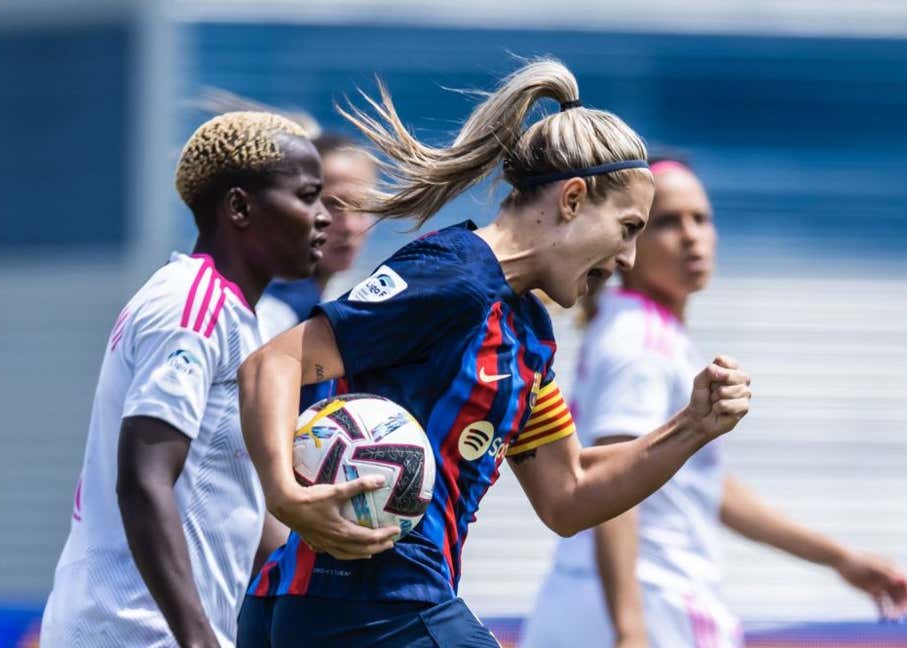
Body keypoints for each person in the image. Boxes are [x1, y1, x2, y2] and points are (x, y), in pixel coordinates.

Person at [235, 59, 753, 648]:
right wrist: (285, 495)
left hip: (342, 609)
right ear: (574, 199)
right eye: (628, 226)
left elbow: (570, 493)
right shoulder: (454, 276)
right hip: (371, 606)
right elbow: (273, 363)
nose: (628, 259)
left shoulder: (526, 332)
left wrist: (693, 426)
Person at [520, 157, 907, 648]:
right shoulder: (641, 341)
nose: (691, 236)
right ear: (626, 240)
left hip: (582, 604)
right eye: (666, 222)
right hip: (652, 606)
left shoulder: (635, 329)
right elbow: (610, 491)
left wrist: (837, 557)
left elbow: (703, 487)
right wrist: (630, 632)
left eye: (700, 219)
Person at [40, 111, 330, 648]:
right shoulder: (192, 307)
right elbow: (143, 478)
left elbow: (234, 502)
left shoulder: (239, 320)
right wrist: (197, 638)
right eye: (308, 196)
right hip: (135, 632)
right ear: (241, 207)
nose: (324, 217)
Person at [257, 132, 379, 341]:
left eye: (362, 206)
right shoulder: (278, 309)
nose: (349, 226)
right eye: (332, 204)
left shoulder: (331, 297)